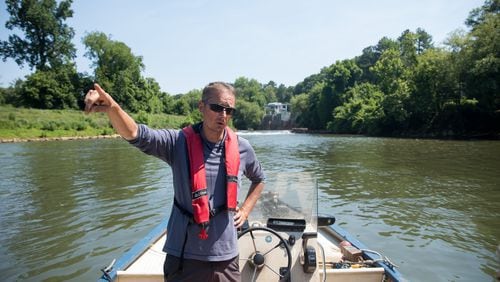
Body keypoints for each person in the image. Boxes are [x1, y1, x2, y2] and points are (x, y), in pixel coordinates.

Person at [84, 82, 266, 281]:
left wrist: (246, 209)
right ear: (201, 107)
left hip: (226, 257)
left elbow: (259, 178)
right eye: (217, 107)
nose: (223, 115)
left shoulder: (242, 147)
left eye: (229, 110)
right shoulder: (177, 142)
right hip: (185, 256)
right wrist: (112, 107)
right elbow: (137, 135)